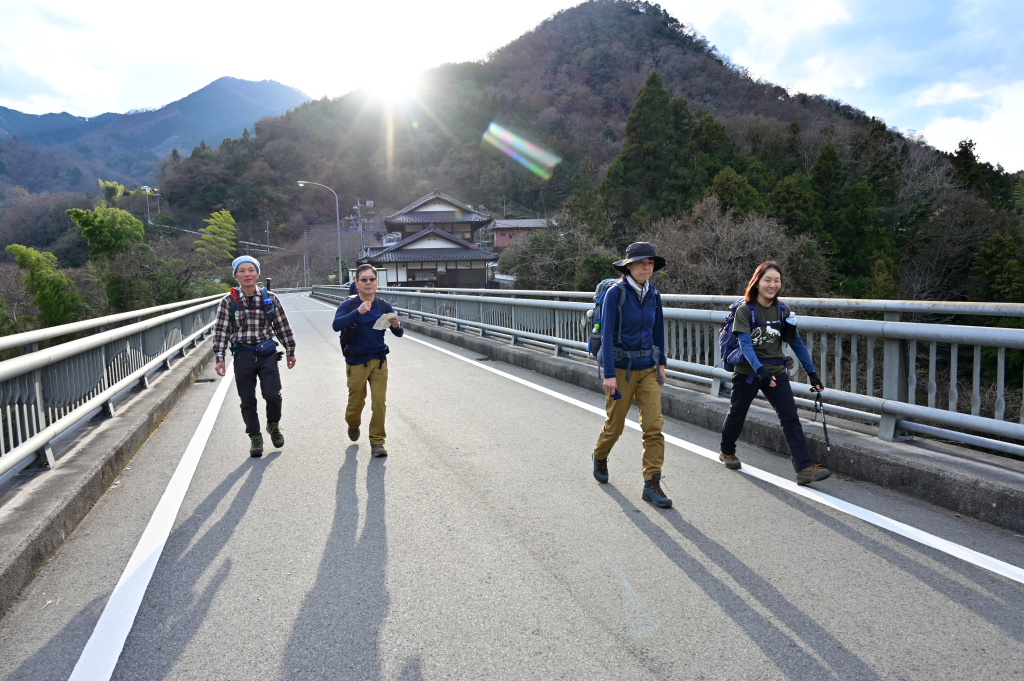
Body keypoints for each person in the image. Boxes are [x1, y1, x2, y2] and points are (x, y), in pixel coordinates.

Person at [719, 261, 831, 485]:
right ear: (757, 282)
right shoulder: (745, 310)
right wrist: (760, 370)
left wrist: (812, 373)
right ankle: (727, 451)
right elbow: (746, 345)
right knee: (737, 414)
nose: (772, 285)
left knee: (790, 417)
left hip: (776, 371)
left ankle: (804, 468)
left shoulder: (783, 310)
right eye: (767, 280)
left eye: (776, 280)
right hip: (748, 372)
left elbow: (796, 342)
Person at [592, 242, 672, 509]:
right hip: (622, 370)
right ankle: (600, 454)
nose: (646, 268)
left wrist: (661, 362)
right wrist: (610, 374)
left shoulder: (655, 295)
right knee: (615, 425)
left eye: (649, 263)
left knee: (653, 426)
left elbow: (658, 330)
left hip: (648, 368)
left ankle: (652, 483)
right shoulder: (616, 293)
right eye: (640, 263)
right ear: (628, 266)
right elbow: (606, 334)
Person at [213, 255, 297, 457]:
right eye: (242, 271)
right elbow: (221, 331)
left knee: (272, 395)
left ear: (257, 273)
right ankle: (255, 437)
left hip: (267, 353)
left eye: (251, 270)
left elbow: (282, 326)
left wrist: (290, 350)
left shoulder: (270, 299)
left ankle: (273, 425)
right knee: (247, 400)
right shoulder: (228, 302)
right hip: (242, 355)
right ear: (235, 275)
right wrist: (220, 357)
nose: (247, 274)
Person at [333, 264, 403, 457]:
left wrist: (397, 326)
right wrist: (358, 312)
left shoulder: (383, 305)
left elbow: (399, 334)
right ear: (356, 283)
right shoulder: (349, 305)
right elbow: (336, 325)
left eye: (372, 279)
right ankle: (353, 423)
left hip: (379, 361)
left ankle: (377, 442)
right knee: (356, 403)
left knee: (379, 402)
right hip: (356, 362)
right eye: (363, 279)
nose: (368, 283)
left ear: (376, 282)